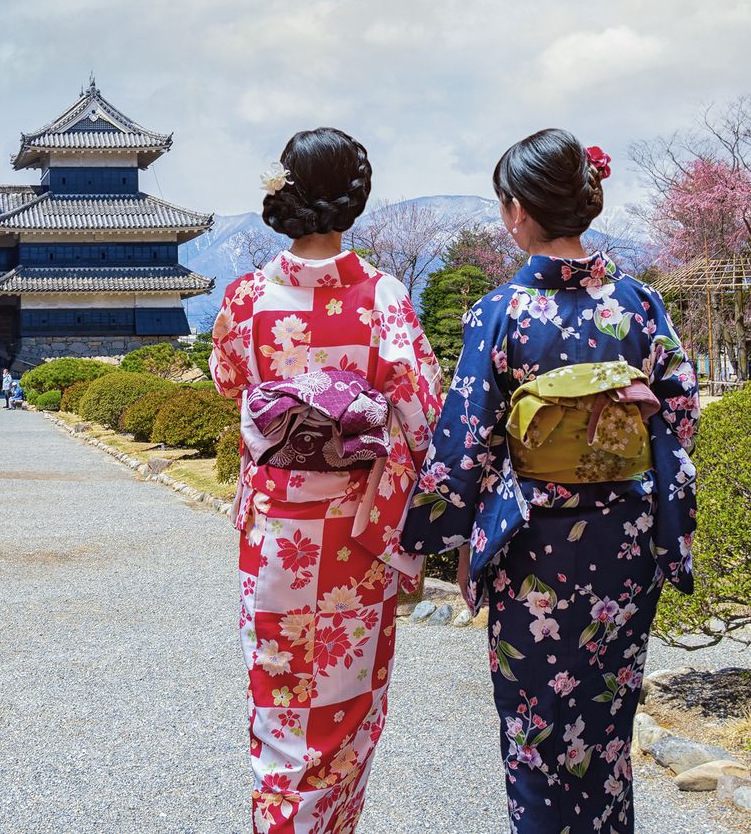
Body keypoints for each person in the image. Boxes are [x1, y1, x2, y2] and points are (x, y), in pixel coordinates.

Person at [401, 130, 698, 834]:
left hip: (535, 543)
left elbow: (464, 442)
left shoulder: (501, 312)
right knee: (605, 726)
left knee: (536, 729)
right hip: (623, 541)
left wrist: (429, 535)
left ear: (516, 212)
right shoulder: (640, 305)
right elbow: (679, 415)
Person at [209, 127, 443, 834]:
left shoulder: (248, 297)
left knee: (279, 709)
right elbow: (423, 409)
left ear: (284, 190)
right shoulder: (384, 296)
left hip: (277, 535)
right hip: (355, 536)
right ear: (354, 197)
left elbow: (228, 381)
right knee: (343, 714)